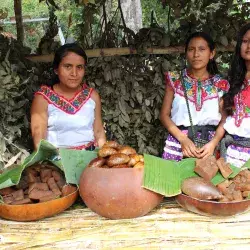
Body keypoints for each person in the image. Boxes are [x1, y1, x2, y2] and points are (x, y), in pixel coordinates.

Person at [160, 32, 229, 161]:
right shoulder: (175, 79)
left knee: (208, 181)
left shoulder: (221, 84)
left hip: (208, 148)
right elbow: (164, 115)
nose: (196, 54)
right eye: (191, 49)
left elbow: (225, 120)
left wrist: (213, 143)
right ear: (186, 53)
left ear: (211, 54)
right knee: (174, 180)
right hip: (178, 143)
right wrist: (182, 139)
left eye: (202, 49)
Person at [31, 43, 106, 150]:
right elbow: (39, 139)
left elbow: (98, 132)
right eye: (68, 66)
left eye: (79, 67)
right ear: (56, 69)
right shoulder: (43, 98)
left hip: (90, 158)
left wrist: (104, 160)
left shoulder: (92, 96)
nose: (74, 73)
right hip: (56, 160)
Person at [222, 23, 250, 167]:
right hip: (232, 151)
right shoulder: (234, 79)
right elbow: (225, 117)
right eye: (245, 41)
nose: (249, 45)